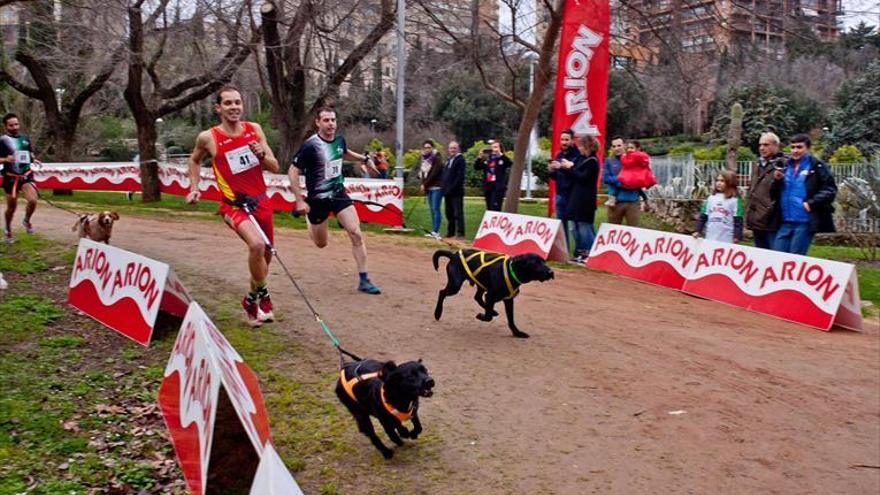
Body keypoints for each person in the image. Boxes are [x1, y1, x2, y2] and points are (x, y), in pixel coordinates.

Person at [186, 86, 281, 327]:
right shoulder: (208, 137)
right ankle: (264, 296)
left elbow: (274, 166)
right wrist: (194, 187)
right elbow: (194, 160)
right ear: (218, 108)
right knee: (257, 245)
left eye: (237, 102)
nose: (234, 107)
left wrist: (261, 155)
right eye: (228, 103)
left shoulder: (254, 130)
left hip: (260, 202)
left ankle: (251, 299)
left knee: (264, 258)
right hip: (233, 206)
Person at [289, 107, 382, 294]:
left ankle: (364, 279)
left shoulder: (339, 140)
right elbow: (293, 170)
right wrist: (300, 200)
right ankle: (309, 219)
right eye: (326, 120)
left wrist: (364, 158)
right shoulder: (310, 145)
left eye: (333, 120)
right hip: (317, 200)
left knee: (356, 233)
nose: (331, 123)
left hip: (338, 194)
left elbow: (344, 152)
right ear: (318, 123)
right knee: (321, 243)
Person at [773, 134, 837, 255]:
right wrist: (777, 181)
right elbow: (774, 193)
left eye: (799, 147)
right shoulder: (785, 166)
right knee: (777, 255)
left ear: (808, 148)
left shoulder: (817, 166)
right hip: (785, 220)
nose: (795, 151)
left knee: (795, 259)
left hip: (804, 221)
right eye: (792, 147)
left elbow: (830, 189)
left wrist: (811, 203)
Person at [1, 113, 42, 243]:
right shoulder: (2, 140)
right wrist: (6, 159)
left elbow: (30, 154)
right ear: (6, 126)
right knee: (11, 207)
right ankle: (8, 229)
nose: (15, 127)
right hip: (10, 178)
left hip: (26, 175)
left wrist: (34, 159)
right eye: (11, 125)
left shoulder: (25, 138)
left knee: (33, 200)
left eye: (16, 124)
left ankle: (27, 220)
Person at [563, 135, 600, 263]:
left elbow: (583, 177)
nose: (579, 148)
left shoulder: (592, 161)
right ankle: (581, 251)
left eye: (581, 146)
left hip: (586, 200)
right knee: (574, 227)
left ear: (588, 146)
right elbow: (574, 174)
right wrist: (567, 167)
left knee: (585, 227)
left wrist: (571, 168)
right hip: (576, 198)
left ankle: (589, 252)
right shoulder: (581, 159)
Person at [746, 132, 785, 249]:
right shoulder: (757, 164)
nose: (762, 148)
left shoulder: (783, 164)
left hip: (772, 219)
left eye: (766, 145)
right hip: (756, 218)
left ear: (776, 146)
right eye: (760, 145)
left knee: (775, 255)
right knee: (760, 255)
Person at [548, 128, 580, 253]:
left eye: (567, 139)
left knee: (575, 226)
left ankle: (579, 252)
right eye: (562, 139)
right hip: (560, 193)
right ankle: (564, 251)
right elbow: (556, 177)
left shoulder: (577, 155)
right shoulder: (559, 155)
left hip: (572, 195)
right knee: (561, 224)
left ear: (572, 140)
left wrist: (564, 167)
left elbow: (576, 174)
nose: (564, 142)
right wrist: (552, 171)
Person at [693, 170, 744, 243]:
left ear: (730, 182)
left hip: (727, 237)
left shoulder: (735, 200)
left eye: (722, 181)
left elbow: (738, 220)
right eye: (717, 180)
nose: (719, 183)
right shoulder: (711, 198)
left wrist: (737, 236)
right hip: (710, 236)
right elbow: (703, 216)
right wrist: (698, 231)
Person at [602, 136, 642, 226]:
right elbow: (606, 178)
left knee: (634, 232)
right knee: (613, 231)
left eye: (619, 145)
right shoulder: (609, 161)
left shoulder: (635, 159)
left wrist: (616, 180)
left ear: (624, 145)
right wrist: (622, 180)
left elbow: (638, 179)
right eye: (614, 146)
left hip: (632, 201)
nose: (616, 148)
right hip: (615, 202)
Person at [474, 140, 512, 211]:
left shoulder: (502, 159)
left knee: (495, 206)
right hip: (488, 186)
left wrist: (500, 154)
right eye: (492, 147)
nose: (494, 149)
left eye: (496, 147)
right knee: (489, 207)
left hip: (497, 187)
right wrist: (479, 157)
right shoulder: (488, 159)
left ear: (500, 148)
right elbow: (477, 167)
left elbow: (509, 163)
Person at [419, 140, 444, 238]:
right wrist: (423, 184)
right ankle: (434, 230)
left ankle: (436, 231)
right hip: (429, 187)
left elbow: (434, 173)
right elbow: (423, 173)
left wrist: (425, 184)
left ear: (433, 148)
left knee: (435, 209)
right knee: (432, 210)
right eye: (425, 147)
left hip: (437, 187)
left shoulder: (437, 157)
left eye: (429, 147)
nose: (427, 149)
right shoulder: (424, 159)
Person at [441, 141, 466, 239]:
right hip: (447, 192)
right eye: (451, 148)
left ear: (458, 149)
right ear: (448, 149)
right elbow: (445, 175)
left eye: (454, 148)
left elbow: (459, 177)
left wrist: (452, 188)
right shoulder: (448, 160)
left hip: (456, 192)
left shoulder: (460, 160)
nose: (452, 150)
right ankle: (450, 232)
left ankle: (460, 233)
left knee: (458, 213)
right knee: (449, 213)